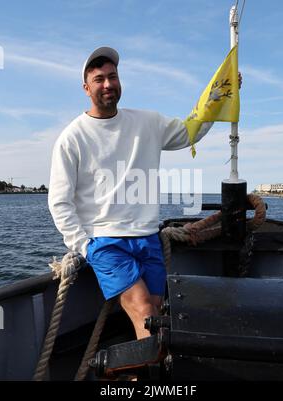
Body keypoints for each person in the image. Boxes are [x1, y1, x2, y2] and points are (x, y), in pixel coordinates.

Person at [48, 46, 214, 339]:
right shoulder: (71, 138)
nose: (108, 84)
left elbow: (191, 132)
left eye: (113, 76)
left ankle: (140, 377)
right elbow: (59, 202)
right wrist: (86, 247)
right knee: (146, 314)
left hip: (148, 238)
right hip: (106, 243)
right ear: (86, 88)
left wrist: (218, 98)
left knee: (156, 316)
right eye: (99, 79)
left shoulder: (147, 122)